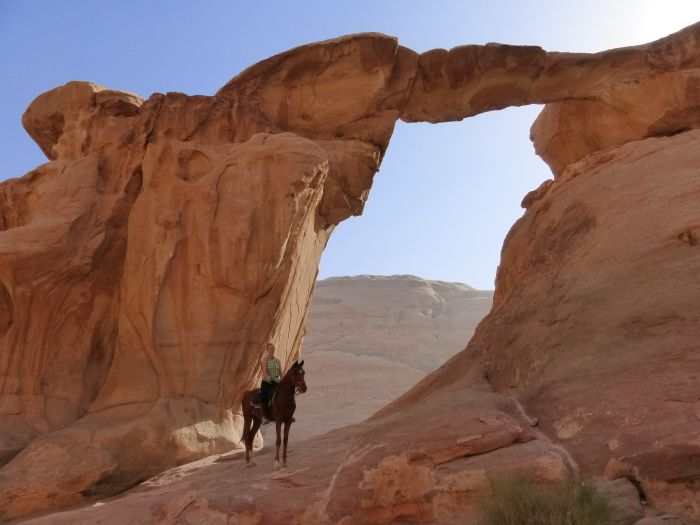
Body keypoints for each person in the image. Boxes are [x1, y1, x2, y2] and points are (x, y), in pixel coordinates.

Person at [259, 342, 281, 421]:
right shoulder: (264, 360)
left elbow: (281, 372)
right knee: (264, 397)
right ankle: (264, 416)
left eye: (273, 348)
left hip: (276, 381)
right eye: (270, 349)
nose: (272, 350)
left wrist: (283, 380)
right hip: (267, 382)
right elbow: (265, 373)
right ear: (267, 350)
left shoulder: (277, 361)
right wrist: (271, 379)